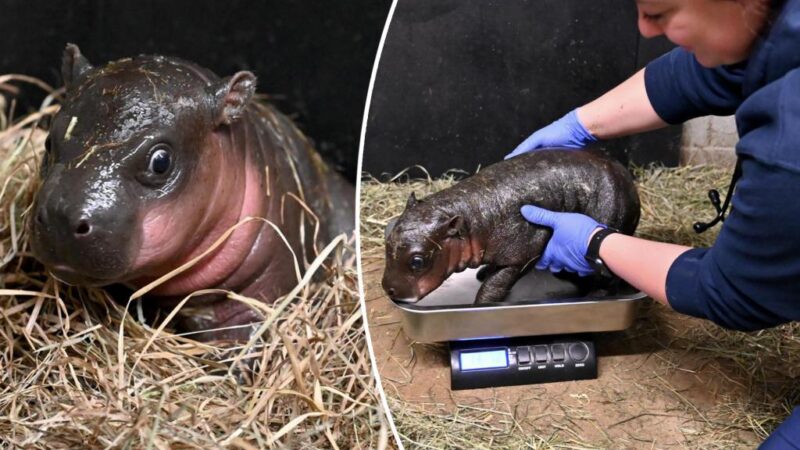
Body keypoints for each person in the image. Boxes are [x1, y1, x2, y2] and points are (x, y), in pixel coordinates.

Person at [506, 0, 800, 447]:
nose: (644, 30)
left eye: (662, 11)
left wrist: (595, 242)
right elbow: (711, 71)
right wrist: (580, 125)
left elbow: (734, 291)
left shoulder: (790, 143)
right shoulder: (775, 21)